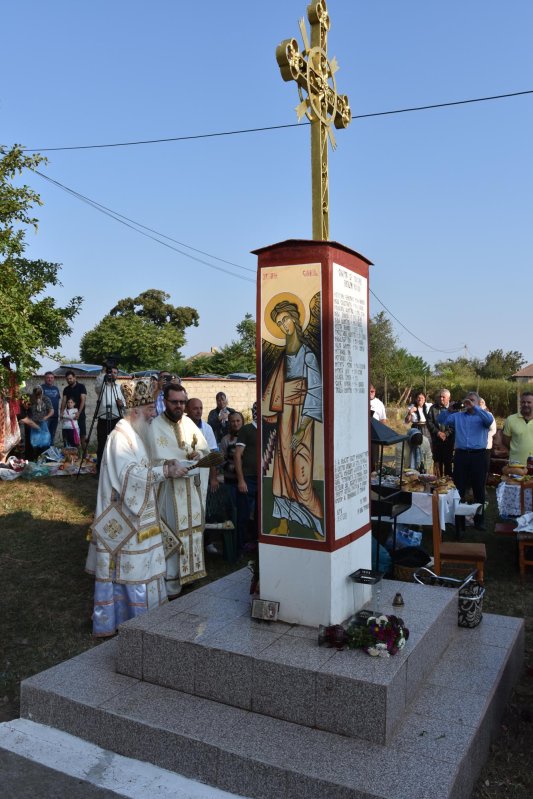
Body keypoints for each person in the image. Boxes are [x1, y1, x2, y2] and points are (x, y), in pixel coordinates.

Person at [85, 378, 184, 637]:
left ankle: (148, 620)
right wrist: (164, 471)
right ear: (136, 412)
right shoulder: (119, 438)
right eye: (151, 409)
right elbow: (130, 476)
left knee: (146, 567)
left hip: (139, 516)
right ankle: (129, 621)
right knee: (129, 570)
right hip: (124, 520)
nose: (155, 414)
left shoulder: (137, 434)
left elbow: (144, 467)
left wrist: (165, 465)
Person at [263, 300, 324, 539]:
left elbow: (315, 390)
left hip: (301, 418)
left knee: (301, 471)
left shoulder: (307, 354)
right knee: (281, 468)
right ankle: (284, 524)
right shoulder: (283, 355)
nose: (283, 326)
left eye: (286, 319)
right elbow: (276, 389)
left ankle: (318, 527)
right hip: (284, 417)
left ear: (296, 319)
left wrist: (302, 429)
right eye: (279, 323)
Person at [150, 383, 210, 597]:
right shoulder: (155, 426)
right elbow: (152, 459)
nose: (179, 406)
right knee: (173, 533)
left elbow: (204, 449)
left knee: (194, 530)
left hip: (190, 488)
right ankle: (172, 581)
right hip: (169, 491)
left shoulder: (189, 423)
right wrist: (170, 462)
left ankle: (190, 575)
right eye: (174, 402)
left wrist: (198, 455)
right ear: (165, 401)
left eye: (182, 402)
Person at [438, 392, 494, 532]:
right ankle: (459, 523)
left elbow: (489, 422)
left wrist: (476, 408)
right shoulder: (458, 416)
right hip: (461, 455)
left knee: (478, 489)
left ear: (478, 402)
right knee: (459, 489)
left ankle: (479, 521)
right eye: (467, 400)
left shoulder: (483, 416)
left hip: (478, 456)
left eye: (472, 400)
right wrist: (448, 410)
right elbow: (441, 420)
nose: (469, 402)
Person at [234, 403, 259, 552]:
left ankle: (256, 542)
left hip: (263, 478)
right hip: (249, 478)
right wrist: (241, 480)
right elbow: (237, 455)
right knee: (243, 513)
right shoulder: (247, 429)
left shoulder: (268, 427)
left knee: (259, 515)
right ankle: (239, 546)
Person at [94, 365, 126, 473]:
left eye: (115, 373)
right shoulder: (101, 386)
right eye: (110, 372)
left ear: (117, 375)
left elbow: (124, 404)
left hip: (116, 418)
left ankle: (115, 468)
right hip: (103, 418)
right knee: (102, 444)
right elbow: (98, 383)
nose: (112, 374)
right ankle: (100, 469)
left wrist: (121, 404)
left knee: (116, 444)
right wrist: (104, 371)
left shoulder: (119, 388)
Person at [426, 388, 455, 477]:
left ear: (449, 398)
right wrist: (438, 433)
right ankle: (436, 486)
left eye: (443, 397)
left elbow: (454, 425)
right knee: (437, 465)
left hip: (448, 441)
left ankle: (448, 487)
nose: (441, 399)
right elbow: (429, 422)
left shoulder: (453, 409)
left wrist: (446, 434)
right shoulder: (433, 408)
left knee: (448, 465)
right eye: (440, 397)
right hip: (436, 441)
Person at [20, 386, 54, 460]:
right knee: (31, 442)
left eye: (39, 395)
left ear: (42, 393)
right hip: (31, 423)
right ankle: (30, 459)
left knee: (44, 441)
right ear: (34, 394)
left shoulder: (46, 399)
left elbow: (51, 411)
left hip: (43, 423)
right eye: (36, 395)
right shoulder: (30, 399)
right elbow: (25, 411)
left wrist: (46, 417)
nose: (38, 397)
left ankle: (43, 458)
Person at [502, 391, 533, 466]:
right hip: (516, 464)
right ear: (520, 403)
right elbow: (506, 441)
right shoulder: (510, 419)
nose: (526, 404)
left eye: (529, 402)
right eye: (523, 402)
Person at [0, 357, 21, 463]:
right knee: (6, 433)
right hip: (5, 407)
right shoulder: (10, 374)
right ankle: (2, 461)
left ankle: (2, 461)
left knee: (7, 434)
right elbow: (15, 393)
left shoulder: (11, 375)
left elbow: (15, 392)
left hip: (7, 407)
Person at [60, 371, 87, 448]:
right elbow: (64, 401)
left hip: (80, 415)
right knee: (69, 436)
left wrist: (78, 412)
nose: (69, 380)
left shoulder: (81, 387)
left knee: (82, 435)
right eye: (67, 379)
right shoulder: (66, 389)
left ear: (75, 377)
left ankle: (84, 456)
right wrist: (61, 413)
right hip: (69, 417)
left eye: (71, 378)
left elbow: (83, 400)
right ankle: (71, 456)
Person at [41, 371, 61, 445]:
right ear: (45, 379)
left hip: (55, 416)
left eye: (51, 378)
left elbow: (57, 400)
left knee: (52, 435)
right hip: (46, 417)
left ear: (54, 379)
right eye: (48, 378)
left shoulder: (56, 388)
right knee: (44, 435)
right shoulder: (41, 387)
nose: (50, 379)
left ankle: (50, 452)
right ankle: (43, 453)